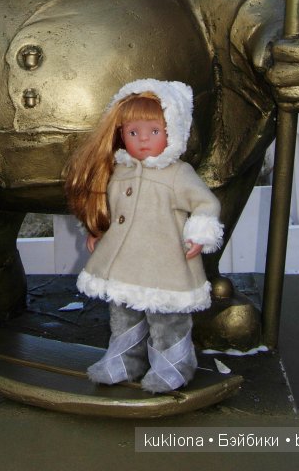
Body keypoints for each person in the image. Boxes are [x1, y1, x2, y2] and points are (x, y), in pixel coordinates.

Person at [64, 79, 223, 393]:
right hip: (125, 263)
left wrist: (200, 232)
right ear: (120, 133)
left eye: (154, 131)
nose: (143, 140)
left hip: (166, 265)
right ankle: (124, 360)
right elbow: (110, 207)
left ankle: (173, 365)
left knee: (167, 318)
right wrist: (98, 229)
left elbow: (206, 203)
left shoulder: (178, 174)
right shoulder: (119, 170)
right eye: (133, 132)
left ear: (172, 131)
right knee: (123, 313)